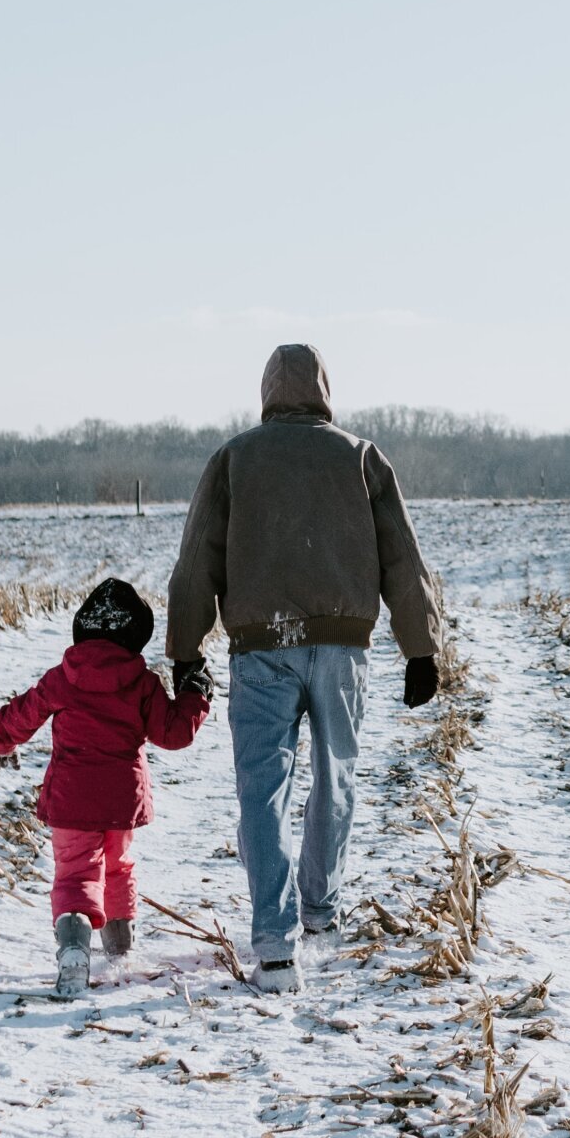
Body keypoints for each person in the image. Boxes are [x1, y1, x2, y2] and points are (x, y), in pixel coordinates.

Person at [168, 343, 443, 994]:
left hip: (261, 647)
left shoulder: (234, 458)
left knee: (262, 788)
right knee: (334, 775)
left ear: (266, 390)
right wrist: (421, 648)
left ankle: (274, 943)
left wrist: (184, 653)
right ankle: (319, 909)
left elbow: (195, 561)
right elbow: (403, 557)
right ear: (324, 388)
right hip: (344, 647)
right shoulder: (361, 457)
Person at [0, 577, 210, 998]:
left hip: (71, 799)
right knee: (118, 865)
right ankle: (121, 947)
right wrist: (195, 691)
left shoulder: (62, 678)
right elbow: (174, 732)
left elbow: (23, 715)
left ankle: (73, 950)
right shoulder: (141, 683)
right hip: (121, 800)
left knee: (75, 872)